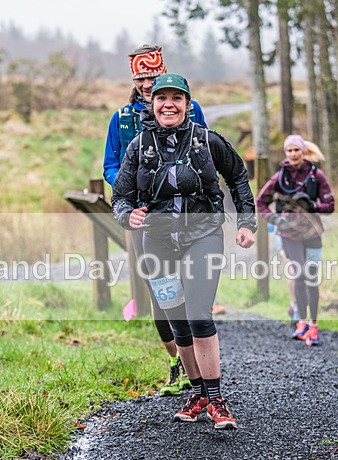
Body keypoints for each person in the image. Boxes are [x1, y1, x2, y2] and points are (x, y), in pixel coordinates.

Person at [112, 74, 256, 429]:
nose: (169, 105)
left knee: (198, 314)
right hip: (156, 240)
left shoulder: (207, 140)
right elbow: (121, 195)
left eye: (177, 98)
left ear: (188, 105)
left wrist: (246, 222)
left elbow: (238, 176)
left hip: (202, 234)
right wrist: (127, 215)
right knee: (176, 318)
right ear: (153, 104)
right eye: (162, 98)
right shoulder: (139, 146)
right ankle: (198, 393)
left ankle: (217, 400)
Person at [103, 45, 207, 396]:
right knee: (160, 291)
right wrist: (131, 192)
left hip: (188, 213)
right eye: (141, 78)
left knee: (193, 289)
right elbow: (111, 165)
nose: (148, 84)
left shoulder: (188, 110)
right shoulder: (121, 119)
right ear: (133, 79)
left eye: (153, 76)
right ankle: (178, 361)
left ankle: (203, 366)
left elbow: (206, 151)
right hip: (144, 215)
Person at [256, 135, 334, 346]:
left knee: (312, 278)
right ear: (285, 153)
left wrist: (313, 206)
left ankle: (314, 325)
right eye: (289, 151)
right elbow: (261, 201)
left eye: (296, 150)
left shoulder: (316, 176)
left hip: (313, 233)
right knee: (299, 273)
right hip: (289, 234)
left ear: (303, 152)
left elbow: (330, 205)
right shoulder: (280, 178)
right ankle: (302, 323)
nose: (292, 154)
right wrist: (274, 219)